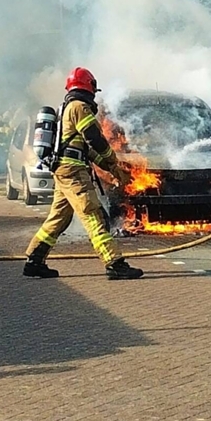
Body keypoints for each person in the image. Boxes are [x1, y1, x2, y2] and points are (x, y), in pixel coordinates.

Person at [23, 67, 144, 280]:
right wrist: (114, 161)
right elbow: (95, 140)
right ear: (89, 87)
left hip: (64, 170)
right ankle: (114, 263)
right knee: (93, 214)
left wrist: (110, 168)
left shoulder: (66, 108)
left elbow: (85, 150)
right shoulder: (79, 107)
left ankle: (35, 260)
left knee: (59, 218)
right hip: (73, 173)